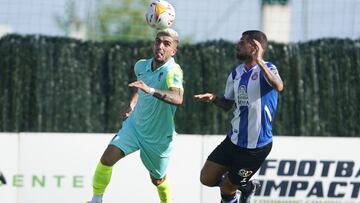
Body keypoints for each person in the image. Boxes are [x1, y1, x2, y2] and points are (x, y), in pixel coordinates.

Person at [87, 28, 183, 203]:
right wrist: (132, 102)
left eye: (166, 44)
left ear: (173, 51)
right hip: (135, 126)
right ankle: (96, 199)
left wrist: (151, 90)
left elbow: (177, 98)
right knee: (107, 158)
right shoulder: (141, 65)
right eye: (158, 41)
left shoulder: (173, 71)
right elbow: (140, 85)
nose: (160, 46)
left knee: (158, 180)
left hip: (158, 136)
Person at [194, 30, 284, 203]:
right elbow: (228, 104)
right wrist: (214, 99)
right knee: (206, 178)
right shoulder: (236, 74)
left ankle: (238, 188)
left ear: (254, 46)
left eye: (242, 42)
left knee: (227, 188)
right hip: (233, 140)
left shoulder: (269, 69)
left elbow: (279, 86)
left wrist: (260, 60)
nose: (237, 45)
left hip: (255, 147)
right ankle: (246, 186)